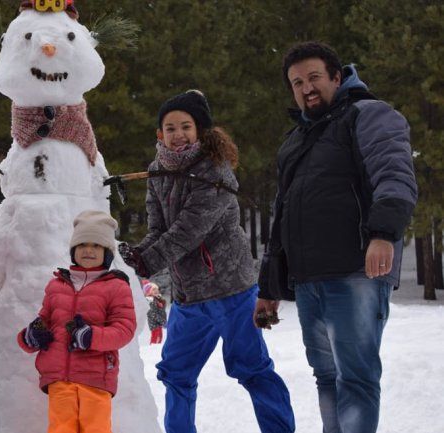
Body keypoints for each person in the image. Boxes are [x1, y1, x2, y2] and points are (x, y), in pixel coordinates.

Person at [257, 41, 417, 433]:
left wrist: (383, 233)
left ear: (337, 77)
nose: (306, 88)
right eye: (297, 83)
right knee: (327, 378)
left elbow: (395, 177)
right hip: (310, 280)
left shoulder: (370, 115)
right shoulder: (295, 142)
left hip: (355, 273)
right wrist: (268, 286)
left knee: (356, 380)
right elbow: (282, 217)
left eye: (314, 77)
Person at [118, 90, 295, 433]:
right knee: (175, 373)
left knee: (252, 368)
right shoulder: (157, 172)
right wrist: (134, 258)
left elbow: (188, 231)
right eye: (170, 128)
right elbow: (158, 229)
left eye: (186, 126)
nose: (178, 134)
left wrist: (146, 261)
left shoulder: (215, 172)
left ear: (200, 130)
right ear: (160, 134)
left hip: (233, 291)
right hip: (189, 298)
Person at [18, 210, 136, 433]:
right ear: (74, 251)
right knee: (61, 428)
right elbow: (44, 319)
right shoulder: (57, 284)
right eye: (82, 245)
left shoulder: (116, 286)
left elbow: (125, 329)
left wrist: (91, 336)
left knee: (95, 428)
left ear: (107, 253)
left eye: (96, 245)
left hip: (95, 376)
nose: (88, 250)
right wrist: (31, 335)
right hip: (58, 376)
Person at [141, 280, 166, 345]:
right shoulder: (150, 301)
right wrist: (162, 321)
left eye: (157, 289)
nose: (156, 291)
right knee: (155, 339)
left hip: (159, 323)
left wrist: (161, 301)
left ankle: (155, 349)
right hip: (154, 324)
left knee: (160, 338)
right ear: (148, 292)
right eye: (153, 289)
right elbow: (153, 314)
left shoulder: (156, 300)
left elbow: (162, 310)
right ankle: (152, 349)